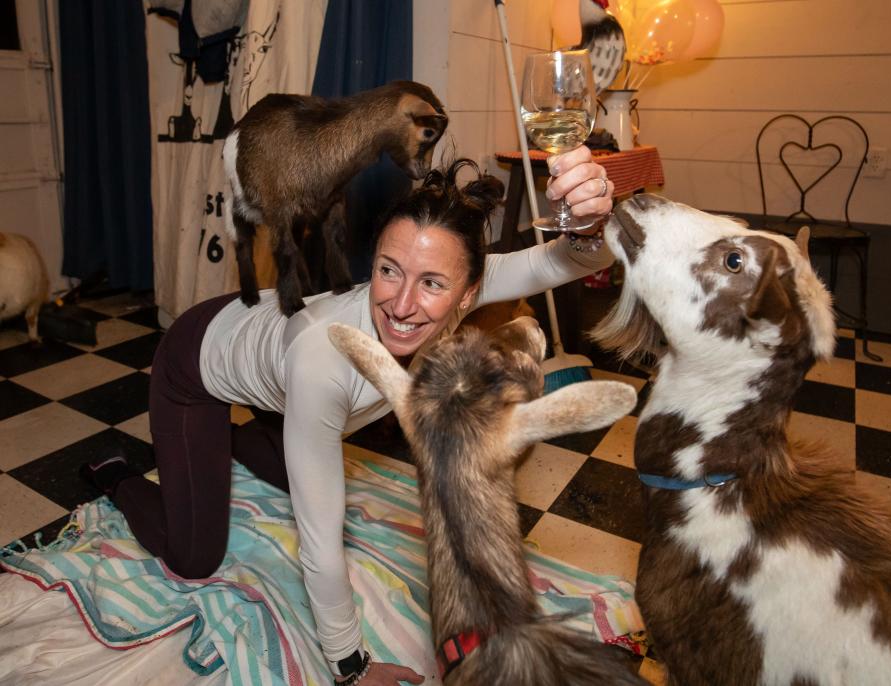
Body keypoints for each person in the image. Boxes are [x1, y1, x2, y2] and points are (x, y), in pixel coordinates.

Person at [81, 145, 615, 685]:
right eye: (388, 271)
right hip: (194, 364)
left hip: (271, 365)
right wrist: (351, 667)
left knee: (295, 459)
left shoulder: (461, 287)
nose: (403, 305)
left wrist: (592, 223)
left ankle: (234, 441)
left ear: (469, 291)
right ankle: (116, 475)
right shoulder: (326, 361)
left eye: (431, 282)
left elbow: (571, 260)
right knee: (196, 556)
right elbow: (319, 543)